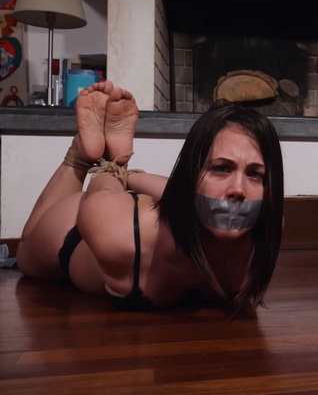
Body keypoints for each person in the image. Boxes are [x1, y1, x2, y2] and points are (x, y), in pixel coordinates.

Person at [16, 81, 284, 313]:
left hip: (159, 211)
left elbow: (178, 189)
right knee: (24, 251)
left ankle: (122, 164)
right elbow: (102, 190)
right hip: (74, 230)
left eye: (255, 174)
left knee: (197, 197)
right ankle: (82, 154)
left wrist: (129, 175)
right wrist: (108, 167)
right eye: (221, 168)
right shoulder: (120, 231)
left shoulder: (266, 228)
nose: (238, 189)